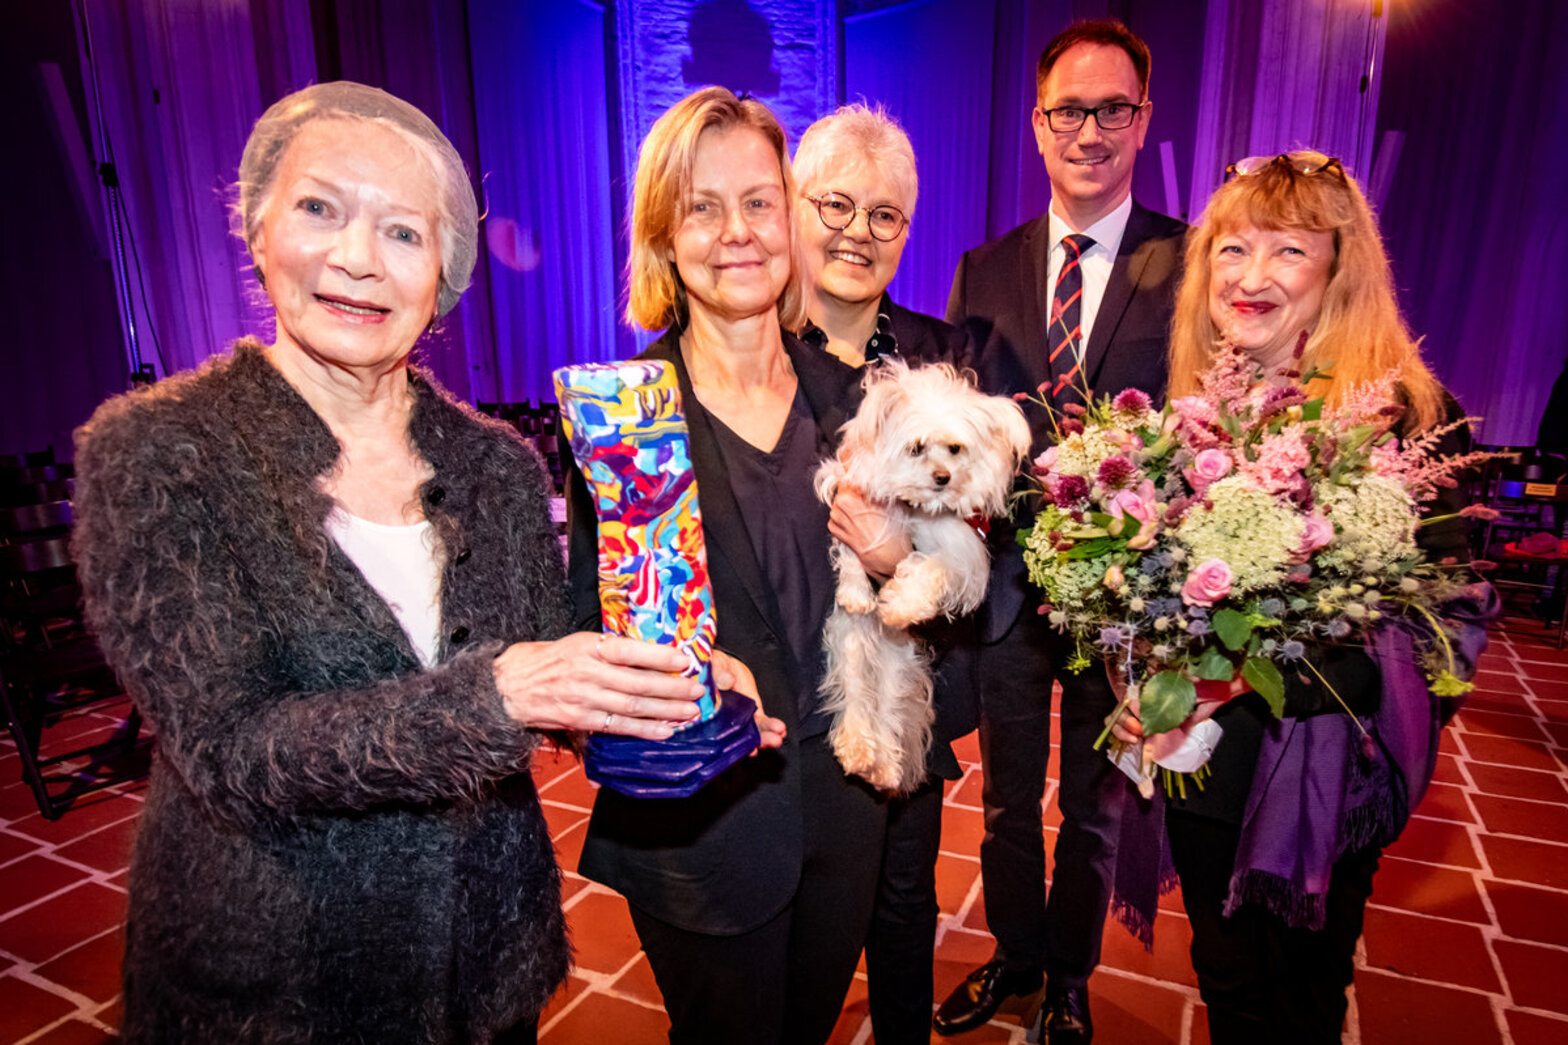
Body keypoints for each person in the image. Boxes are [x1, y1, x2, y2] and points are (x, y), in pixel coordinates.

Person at [71, 81, 719, 1043]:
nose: (357, 259)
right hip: (277, 983)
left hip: (486, 964)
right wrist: (493, 698)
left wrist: (675, 684)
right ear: (258, 228)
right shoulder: (156, 452)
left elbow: (549, 666)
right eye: (320, 209)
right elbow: (231, 749)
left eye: (404, 233)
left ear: (445, 272)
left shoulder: (495, 462)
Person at [1119, 148, 1483, 1044]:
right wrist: (1144, 671)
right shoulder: (1186, 418)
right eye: (1230, 251)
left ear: (1338, 268)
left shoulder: (1409, 420)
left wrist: (1249, 671)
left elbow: (1445, 636)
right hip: (1202, 768)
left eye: (1285, 251)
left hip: (1322, 777)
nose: (1249, 278)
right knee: (1228, 980)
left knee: (1304, 997)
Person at [566, 87, 882, 1045]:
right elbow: (588, 619)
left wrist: (907, 556)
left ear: (791, 220)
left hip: (845, 813)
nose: (736, 231)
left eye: (758, 200)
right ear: (664, 235)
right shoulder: (628, 418)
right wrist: (676, 680)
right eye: (702, 206)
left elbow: (925, 608)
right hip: (703, 822)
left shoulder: (860, 402)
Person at [938, 20, 1186, 1042]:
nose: (1087, 129)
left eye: (1110, 108)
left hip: (1118, 594)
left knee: (1092, 805)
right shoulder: (982, 267)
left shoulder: (1188, 261)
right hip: (1002, 585)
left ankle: (1072, 979)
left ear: (1141, 119)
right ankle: (1016, 954)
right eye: (1066, 111)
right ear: (1036, 127)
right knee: (1002, 802)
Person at [791, 103, 976, 1043]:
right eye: (835, 204)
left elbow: (998, 542)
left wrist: (902, 563)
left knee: (904, 904)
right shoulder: (750, 352)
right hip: (786, 697)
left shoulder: (951, 358)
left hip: (907, 683)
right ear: (790, 204)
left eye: (885, 215)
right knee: (792, 925)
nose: (857, 232)